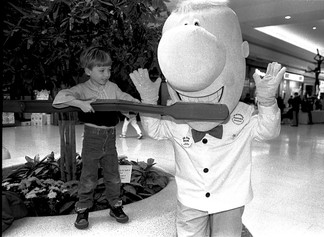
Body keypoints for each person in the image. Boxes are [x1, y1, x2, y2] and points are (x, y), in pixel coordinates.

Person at [129, 1, 286, 236]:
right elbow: (155, 130)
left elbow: (267, 131)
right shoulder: (176, 115)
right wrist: (149, 102)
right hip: (190, 196)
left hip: (230, 197)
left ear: (242, 51)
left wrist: (266, 102)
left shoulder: (241, 114)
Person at [52, 46, 139, 230]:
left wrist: (135, 104)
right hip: (92, 138)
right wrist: (78, 103)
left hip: (110, 138)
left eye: (109, 69)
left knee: (113, 175)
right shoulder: (82, 89)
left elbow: (124, 99)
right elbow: (59, 98)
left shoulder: (113, 87)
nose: (106, 74)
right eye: (101, 70)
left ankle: (115, 206)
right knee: (88, 176)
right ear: (88, 71)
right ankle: (83, 209)